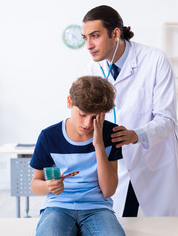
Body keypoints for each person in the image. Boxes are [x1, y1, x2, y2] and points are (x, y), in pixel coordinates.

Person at [82, 5, 178, 217]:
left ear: (115, 33)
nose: (89, 45)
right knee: (123, 223)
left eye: (95, 36)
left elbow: (167, 119)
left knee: (162, 228)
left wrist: (134, 135)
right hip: (117, 164)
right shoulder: (94, 69)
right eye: (85, 37)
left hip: (154, 160)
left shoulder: (155, 60)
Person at [30, 76, 125, 236]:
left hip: (98, 208)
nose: (88, 124)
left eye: (95, 117)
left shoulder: (111, 134)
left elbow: (108, 191)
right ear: (69, 102)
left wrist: (99, 145)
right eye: (82, 114)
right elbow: (35, 185)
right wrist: (49, 186)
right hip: (58, 207)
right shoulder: (49, 137)